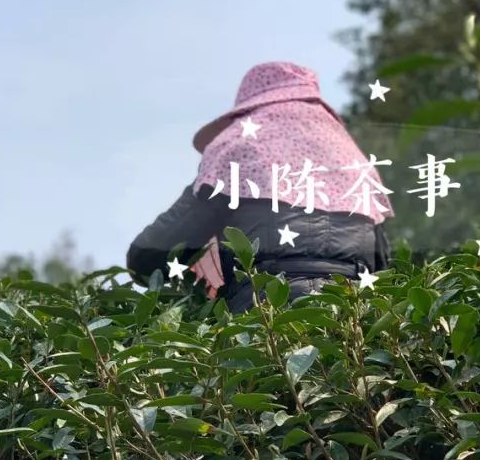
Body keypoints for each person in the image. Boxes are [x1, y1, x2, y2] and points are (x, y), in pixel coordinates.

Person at [127, 61, 393, 312]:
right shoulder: (355, 163)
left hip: (266, 320)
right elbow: (383, 266)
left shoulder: (237, 148)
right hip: (352, 317)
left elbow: (148, 259)